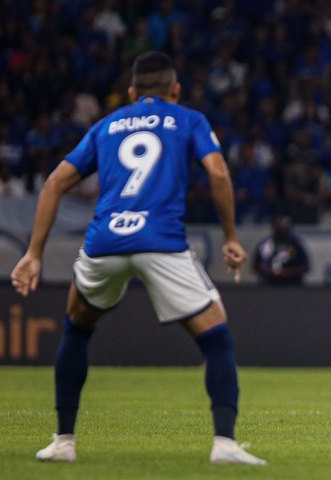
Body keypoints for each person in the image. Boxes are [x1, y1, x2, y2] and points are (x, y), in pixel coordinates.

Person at [10, 52, 266, 465]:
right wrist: (231, 237)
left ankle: (63, 442)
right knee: (217, 338)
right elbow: (218, 174)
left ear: (131, 93)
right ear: (175, 90)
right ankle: (225, 445)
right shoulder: (188, 119)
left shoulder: (105, 126)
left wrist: (34, 253)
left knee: (76, 331)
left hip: (104, 243)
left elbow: (55, 182)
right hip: (160, 241)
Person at [252, 215, 310, 285]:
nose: (282, 232)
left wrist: (288, 272)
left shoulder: (295, 244)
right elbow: (256, 266)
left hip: (292, 285)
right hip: (269, 284)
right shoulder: (266, 244)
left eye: (284, 229)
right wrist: (270, 272)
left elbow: (305, 267)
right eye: (279, 229)